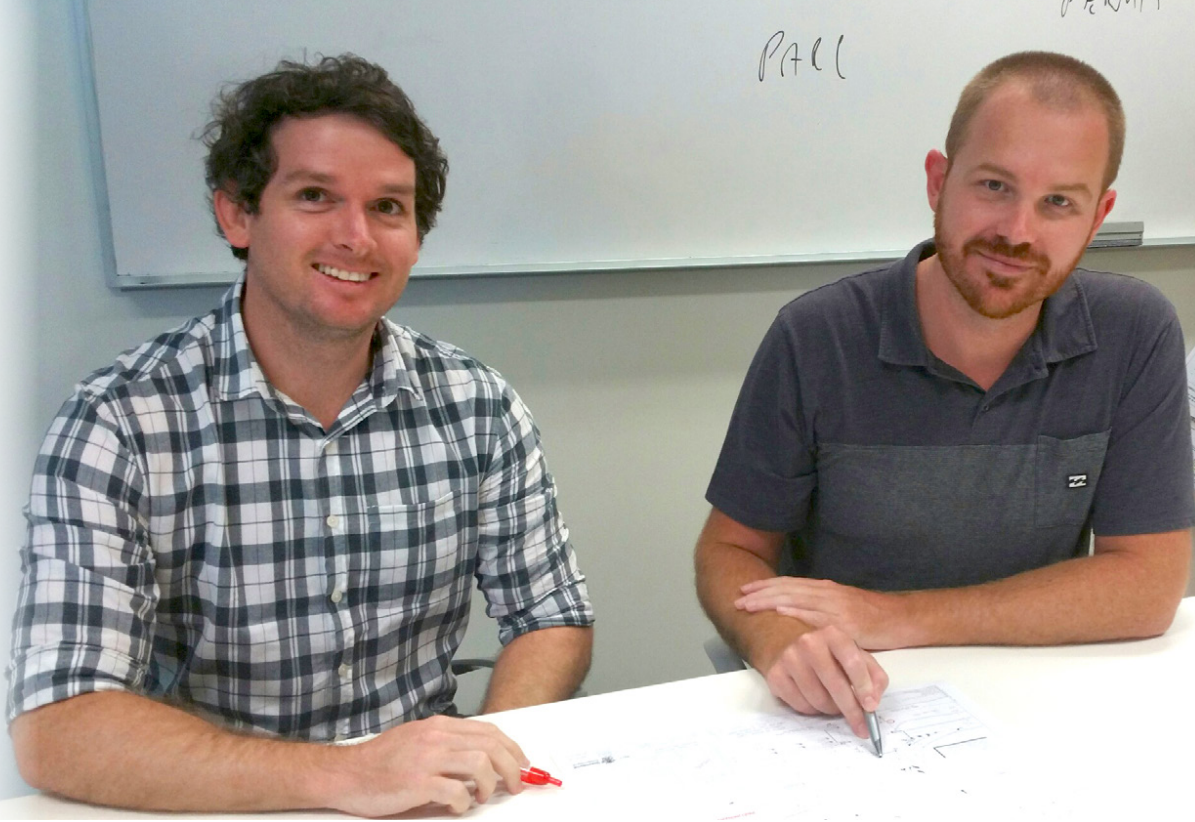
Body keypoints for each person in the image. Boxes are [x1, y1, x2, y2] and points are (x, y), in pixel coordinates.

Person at [7, 54, 593, 816]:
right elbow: (59, 726)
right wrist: (346, 777)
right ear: (236, 215)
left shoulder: (476, 404)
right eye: (315, 196)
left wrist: (487, 743)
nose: (356, 237)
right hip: (217, 799)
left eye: (388, 208)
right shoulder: (118, 422)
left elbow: (551, 617)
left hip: (424, 801)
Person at [695, 51, 1193, 743]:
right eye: (993, 185)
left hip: (1040, 698)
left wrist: (897, 616)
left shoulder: (1132, 332)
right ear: (938, 180)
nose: (1017, 232)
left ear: (1097, 214)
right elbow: (728, 550)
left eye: (1058, 202)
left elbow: (1145, 587)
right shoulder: (818, 336)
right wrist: (775, 640)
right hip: (850, 706)